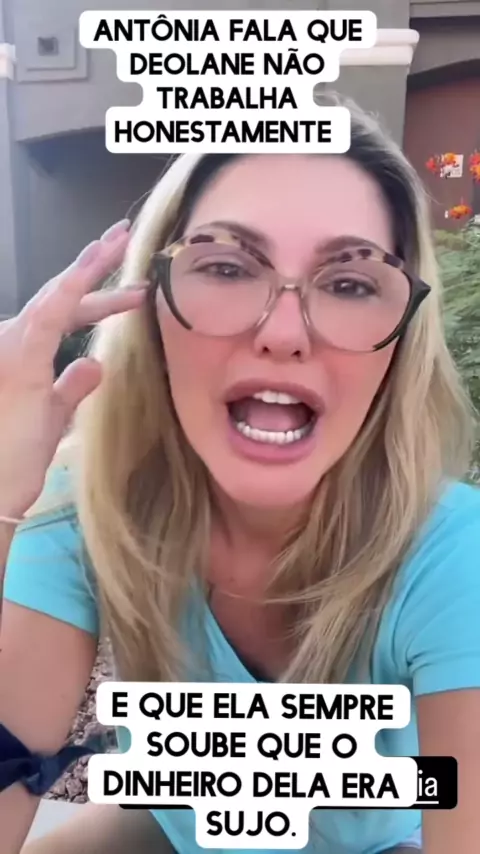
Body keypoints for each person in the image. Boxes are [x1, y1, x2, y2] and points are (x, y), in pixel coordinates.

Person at [0, 93, 479, 854]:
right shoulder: (82, 504)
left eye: (350, 283)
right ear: (151, 311)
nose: (283, 333)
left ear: (400, 344)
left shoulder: (454, 555)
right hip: (171, 826)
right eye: (226, 267)